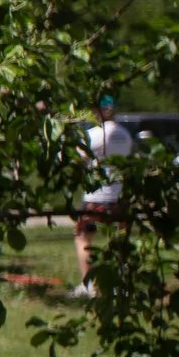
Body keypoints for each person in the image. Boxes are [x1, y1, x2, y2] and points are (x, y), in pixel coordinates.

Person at [73, 95, 134, 299]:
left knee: (83, 238)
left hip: (96, 195)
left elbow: (79, 159)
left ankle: (88, 285)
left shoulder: (93, 135)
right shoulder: (125, 135)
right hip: (119, 196)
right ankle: (119, 283)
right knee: (119, 241)